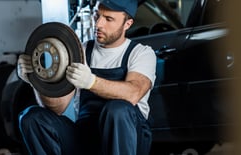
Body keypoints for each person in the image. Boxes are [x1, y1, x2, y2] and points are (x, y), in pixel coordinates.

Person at [17, 0, 156, 154]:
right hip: (88, 136)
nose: (98, 24)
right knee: (32, 117)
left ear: (127, 24)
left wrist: (91, 82)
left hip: (129, 139)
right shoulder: (81, 50)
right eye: (96, 15)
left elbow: (133, 93)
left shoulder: (141, 53)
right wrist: (35, 79)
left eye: (108, 19)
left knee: (117, 109)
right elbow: (58, 107)